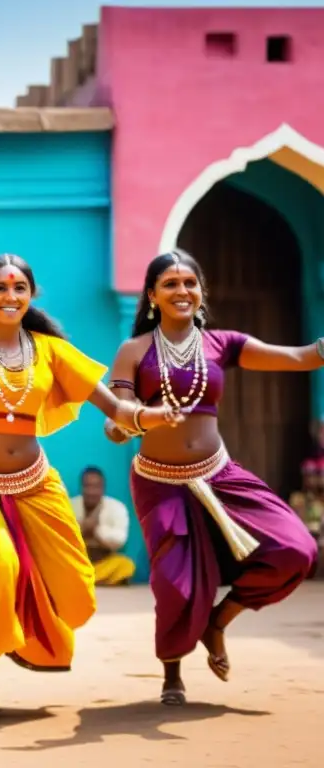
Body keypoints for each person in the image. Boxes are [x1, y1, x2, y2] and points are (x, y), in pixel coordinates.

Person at [0, 253, 183, 724]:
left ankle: (27, 632)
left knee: (78, 592)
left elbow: (114, 409)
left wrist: (149, 416)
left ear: (30, 295)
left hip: (36, 483)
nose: (10, 296)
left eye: (19, 288)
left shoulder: (50, 351)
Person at [104, 248, 320, 706]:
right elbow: (114, 420)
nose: (182, 291)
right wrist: (141, 420)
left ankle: (218, 622)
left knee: (295, 550)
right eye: (170, 284)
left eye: (190, 283)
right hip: (158, 480)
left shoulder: (224, 344)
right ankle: (172, 675)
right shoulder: (134, 350)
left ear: (201, 292)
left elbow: (301, 358)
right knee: (175, 584)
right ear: (151, 296)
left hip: (219, 474)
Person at [70, 466, 135, 586]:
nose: (91, 491)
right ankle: (93, 580)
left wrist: (97, 530)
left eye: (95, 487)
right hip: (77, 563)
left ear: (102, 488)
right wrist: (82, 528)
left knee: (126, 565)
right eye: (87, 486)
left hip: (103, 562)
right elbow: (60, 538)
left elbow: (120, 540)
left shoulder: (116, 507)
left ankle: (85, 581)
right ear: (82, 487)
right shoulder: (70, 506)